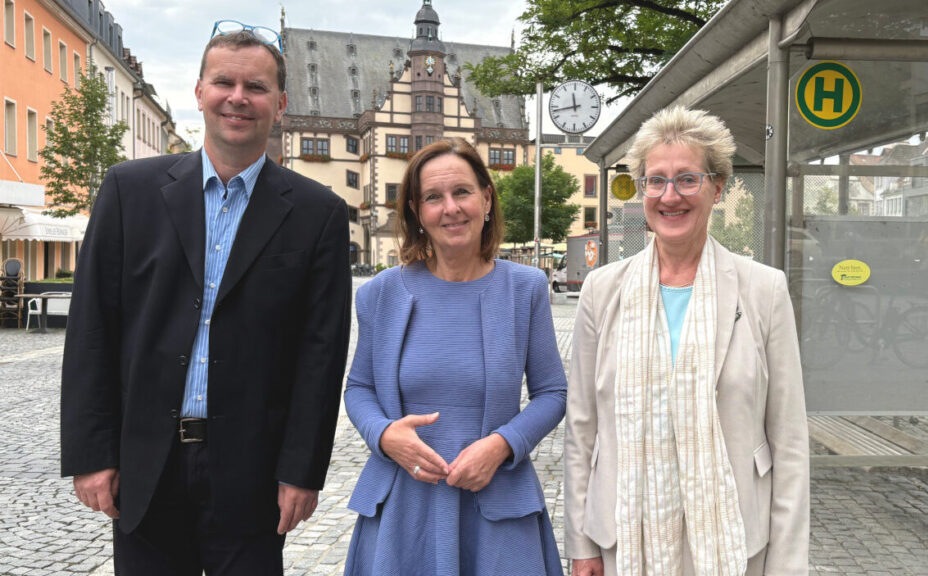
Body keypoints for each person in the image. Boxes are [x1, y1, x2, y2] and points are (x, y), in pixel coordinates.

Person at [60, 25, 352, 576]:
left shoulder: (319, 214)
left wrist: (303, 469)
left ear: (280, 104)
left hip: (252, 471)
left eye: (256, 87)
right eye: (224, 83)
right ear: (199, 92)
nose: (238, 98)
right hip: (146, 462)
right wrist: (91, 453)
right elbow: (92, 327)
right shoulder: (128, 190)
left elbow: (320, 354)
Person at [564, 106, 809, 576]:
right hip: (623, 539)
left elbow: (790, 442)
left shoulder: (764, 290)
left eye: (687, 180)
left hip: (733, 543)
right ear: (641, 189)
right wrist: (581, 545)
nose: (669, 196)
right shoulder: (602, 290)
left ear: (717, 188)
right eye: (655, 181)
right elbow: (582, 428)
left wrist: (786, 567)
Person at [343, 137, 566, 575]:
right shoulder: (380, 294)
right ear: (416, 211)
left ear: (486, 199)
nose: (451, 208)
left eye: (462, 192)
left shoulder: (525, 289)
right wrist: (385, 435)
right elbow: (359, 388)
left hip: (497, 504)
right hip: (403, 507)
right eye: (433, 197)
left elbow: (553, 393)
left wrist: (502, 445)